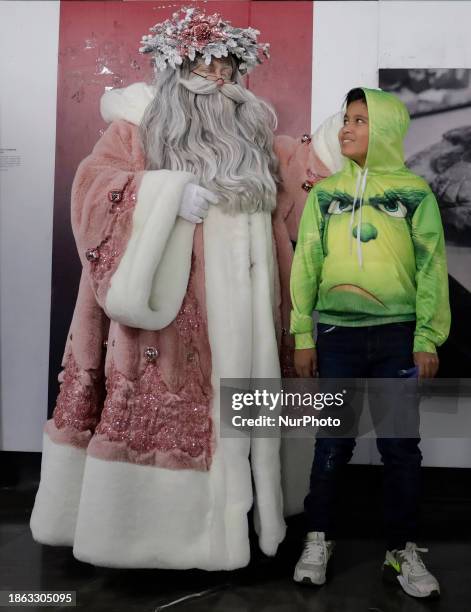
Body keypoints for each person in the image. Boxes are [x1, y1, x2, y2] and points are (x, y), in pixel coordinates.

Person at [30, 7, 342, 570]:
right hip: (173, 322)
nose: (216, 76)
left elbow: (300, 186)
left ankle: (250, 523)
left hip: (250, 317)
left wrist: (339, 138)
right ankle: (157, 539)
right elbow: (92, 192)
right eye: (203, 62)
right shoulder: (135, 127)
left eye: (226, 64)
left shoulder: (253, 137)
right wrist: (164, 196)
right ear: (177, 69)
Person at [290, 87, 450, 598]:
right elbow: (307, 263)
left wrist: (427, 337)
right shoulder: (323, 193)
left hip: (398, 339)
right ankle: (318, 539)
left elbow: (432, 269)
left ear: (383, 128)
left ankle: (401, 550)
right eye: (346, 119)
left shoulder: (416, 192)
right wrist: (301, 331)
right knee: (331, 444)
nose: (346, 128)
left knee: (400, 448)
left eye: (360, 120)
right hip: (336, 337)